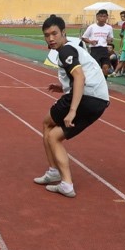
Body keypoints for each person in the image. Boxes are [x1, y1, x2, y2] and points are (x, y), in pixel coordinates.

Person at [33, 16, 110, 199]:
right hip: (100, 101)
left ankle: (56, 173)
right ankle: (65, 182)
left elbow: (80, 78)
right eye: (47, 35)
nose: (51, 38)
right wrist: (63, 87)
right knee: (54, 136)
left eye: (54, 34)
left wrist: (73, 110)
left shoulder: (65, 50)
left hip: (85, 97)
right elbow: (83, 75)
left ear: (63, 33)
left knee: (46, 123)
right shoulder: (74, 48)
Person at [81, 9, 115, 76]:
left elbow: (111, 38)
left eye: (104, 16)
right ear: (97, 17)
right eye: (100, 16)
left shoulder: (109, 28)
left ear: (107, 17)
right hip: (95, 49)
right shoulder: (92, 27)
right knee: (95, 68)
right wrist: (91, 41)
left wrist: (109, 40)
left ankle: (104, 82)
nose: (102, 18)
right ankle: (94, 81)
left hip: (104, 49)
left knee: (105, 67)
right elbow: (84, 37)